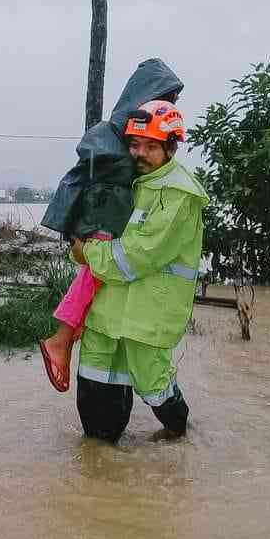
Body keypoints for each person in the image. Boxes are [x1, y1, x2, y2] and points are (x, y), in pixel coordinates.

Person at [37, 59, 184, 392]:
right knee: (94, 275)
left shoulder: (119, 131)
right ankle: (60, 339)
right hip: (101, 219)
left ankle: (66, 339)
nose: (169, 105)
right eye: (166, 98)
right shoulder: (116, 135)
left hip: (101, 221)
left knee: (95, 282)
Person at [70, 101, 207, 441]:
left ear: (171, 147)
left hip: (149, 314)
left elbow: (139, 255)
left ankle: (181, 438)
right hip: (108, 308)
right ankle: (99, 464)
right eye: (134, 144)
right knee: (95, 379)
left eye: (150, 146)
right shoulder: (128, 180)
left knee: (153, 384)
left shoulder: (178, 194)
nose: (139, 153)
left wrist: (86, 251)